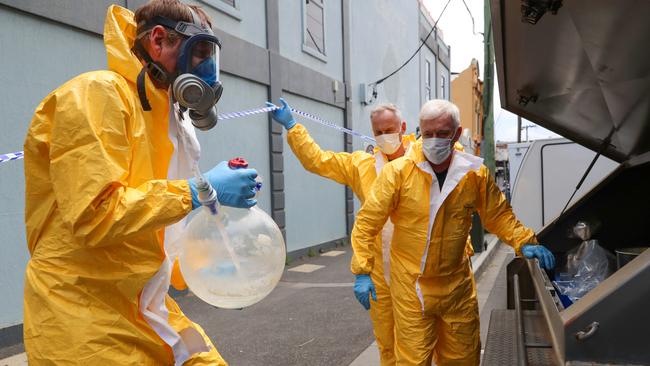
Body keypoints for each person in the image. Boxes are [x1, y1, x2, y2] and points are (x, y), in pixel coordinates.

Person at [23, 1, 258, 364]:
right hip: (85, 318)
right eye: (199, 52)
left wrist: (208, 272)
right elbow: (96, 217)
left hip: (145, 306)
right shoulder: (96, 95)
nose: (207, 68)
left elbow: (160, 230)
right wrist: (199, 190)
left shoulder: (168, 119)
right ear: (159, 41)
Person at [350, 99, 555, 366]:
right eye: (428, 133)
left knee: (463, 358)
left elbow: (498, 215)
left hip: (456, 288)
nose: (434, 140)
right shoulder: (397, 174)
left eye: (442, 133)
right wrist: (363, 269)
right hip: (412, 288)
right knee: (411, 360)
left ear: (456, 134)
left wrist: (524, 240)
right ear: (419, 131)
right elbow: (368, 221)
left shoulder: (472, 175)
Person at [268, 99, 414, 365]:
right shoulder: (362, 165)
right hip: (380, 270)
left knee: (417, 343)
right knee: (386, 342)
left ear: (403, 127)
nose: (385, 137)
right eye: (378, 132)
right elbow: (319, 161)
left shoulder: (421, 161)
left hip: (416, 269)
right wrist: (292, 126)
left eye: (390, 129)